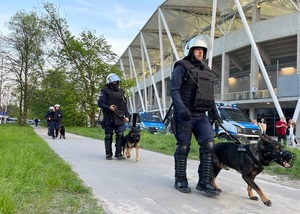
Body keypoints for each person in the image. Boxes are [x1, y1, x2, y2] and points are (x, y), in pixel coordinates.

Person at [170, 35, 222, 197]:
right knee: (183, 147)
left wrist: (215, 112)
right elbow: (174, 90)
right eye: (198, 50)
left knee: (209, 146)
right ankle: (180, 180)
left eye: (203, 51)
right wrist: (180, 108)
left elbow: (209, 94)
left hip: (201, 115)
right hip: (185, 115)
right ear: (191, 51)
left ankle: (204, 181)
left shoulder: (206, 70)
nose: (201, 53)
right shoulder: (181, 67)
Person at [98, 73, 130, 160]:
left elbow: (125, 105)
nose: (115, 83)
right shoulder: (104, 91)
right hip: (109, 117)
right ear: (109, 82)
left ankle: (118, 153)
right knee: (108, 135)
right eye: (114, 81)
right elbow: (100, 103)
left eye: (117, 81)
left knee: (120, 135)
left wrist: (127, 116)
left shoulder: (121, 92)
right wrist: (109, 107)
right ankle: (108, 154)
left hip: (120, 117)